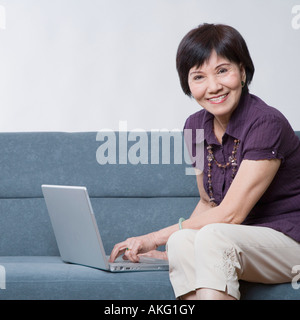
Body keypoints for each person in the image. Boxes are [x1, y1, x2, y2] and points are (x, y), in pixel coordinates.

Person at [109, 23, 300, 300]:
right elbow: (209, 202)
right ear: (187, 84)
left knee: (212, 236)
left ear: (243, 72)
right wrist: (170, 251)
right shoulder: (195, 127)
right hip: (240, 242)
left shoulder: (266, 122)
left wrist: (152, 238)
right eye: (199, 77)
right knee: (182, 240)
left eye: (223, 70)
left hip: (290, 240)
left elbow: (230, 213)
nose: (213, 87)